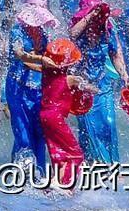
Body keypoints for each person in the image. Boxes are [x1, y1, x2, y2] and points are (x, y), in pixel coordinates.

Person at [69, 0, 129, 163]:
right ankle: (92, 163)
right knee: (89, 128)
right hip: (82, 86)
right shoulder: (79, 30)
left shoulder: (108, 30)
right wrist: (90, 15)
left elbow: (115, 54)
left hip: (103, 84)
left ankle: (113, 164)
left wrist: (125, 77)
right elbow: (72, 34)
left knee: (109, 123)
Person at [5, 0, 57, 170]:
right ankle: (22, 175)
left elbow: (47, 58)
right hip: (17, 87)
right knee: (22, 132)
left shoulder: (43, 34)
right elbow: (19, 55)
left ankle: (39, 173)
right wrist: (41, 60)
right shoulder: (17, 31)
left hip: (37, 88)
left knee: (38, 132)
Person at [39, 39, 93, 187]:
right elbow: (90, 88)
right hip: (55, 118)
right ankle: (65, 185)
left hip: (44, 115)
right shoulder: (70, 79)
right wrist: (91, 88)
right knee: (76, 154)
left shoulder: (45, 73)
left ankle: (54, 182)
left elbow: (28, 63)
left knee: (60, 154)